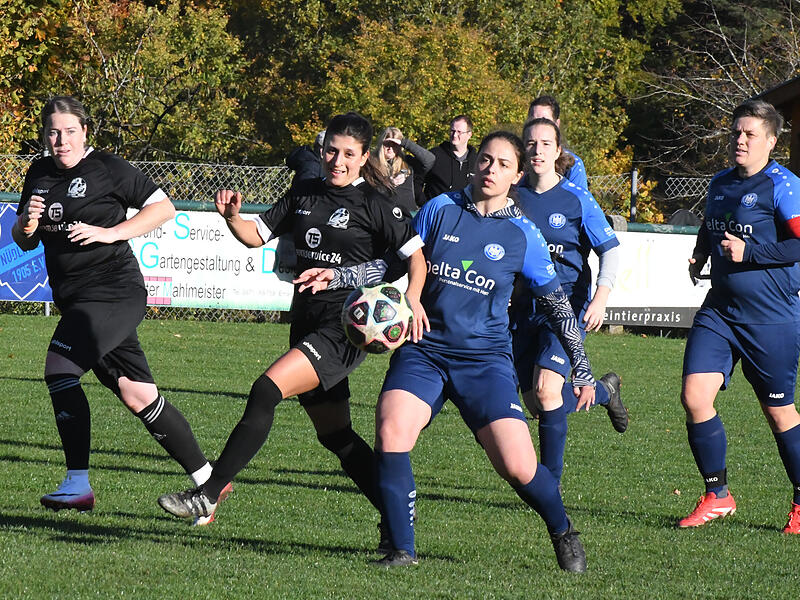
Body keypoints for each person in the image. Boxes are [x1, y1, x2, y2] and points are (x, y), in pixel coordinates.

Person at [304, 132, 596, 570]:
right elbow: (396, 263)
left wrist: (583, 368)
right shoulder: (439, 210)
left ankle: (562, 529)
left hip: (485, 361)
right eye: (484, 160)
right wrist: (341, 278)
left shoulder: (523, 235)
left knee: (518, 467)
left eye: (501, 164)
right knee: (392, 431)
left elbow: (558, 306)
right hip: (425, 348)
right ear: (475, 163)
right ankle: (402, 548)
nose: (490, 169)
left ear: (516, 174)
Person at [157, 112, 429, 543]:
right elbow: (255, 235)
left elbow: (416, 260)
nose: (336, 161)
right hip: (305, 320)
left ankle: (210, 491)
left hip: (345, 327)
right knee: (336, 435)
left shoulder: (379, 203)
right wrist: (232, 218)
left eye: (348, 154)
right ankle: (396, 516)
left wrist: (412, 300)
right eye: (331, 151)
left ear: (363, 158)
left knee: (266, 389)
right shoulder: (304, 191)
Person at [11, 95, 227, 521]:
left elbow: (163, 207)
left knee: (60, 368)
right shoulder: (38, 172)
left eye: (70, 131)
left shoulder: (107, 168)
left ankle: (77, 485)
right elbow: (25, 239)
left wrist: (111, 233)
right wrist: (25, 223)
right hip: (77, 299)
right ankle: (209, 481)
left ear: (85, 132)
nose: (61, 140)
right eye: (53, 132)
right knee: (137, 393)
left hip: (113, 291)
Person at [679, 99, 800, 533]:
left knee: (779, 413)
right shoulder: (720, 183)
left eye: (749, 133)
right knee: (695, 397)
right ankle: (717, 495)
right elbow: (712, 225)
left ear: (771, 140)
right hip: (721, 311)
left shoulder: (783, 186)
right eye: (735, 132)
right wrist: (699, 252)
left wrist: (750, 252)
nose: (740, 140)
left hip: (771, 318)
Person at [512, 118, 627, 485]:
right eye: (531, 143)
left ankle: (550, 484)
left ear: (558, 151)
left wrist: (600, 298)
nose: (538, 150)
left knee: (547, 390)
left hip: (564, 307)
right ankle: (606, 391)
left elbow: (610, 250)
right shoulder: (511, 194)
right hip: (521, 307)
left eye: (546, 144)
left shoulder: (577, 198)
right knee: (537, 403)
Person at [528, 96, 588, 190]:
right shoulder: (516, 160)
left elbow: (579, 201)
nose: (538, 125)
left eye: (545, 121)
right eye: (534, 120)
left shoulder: (572, 165)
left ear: (556, 124)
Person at [375, 127, 435, 215]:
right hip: (382, 214)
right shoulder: (371, 163)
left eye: (394, 144)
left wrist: (404, 142)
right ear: (381, 144)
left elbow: (430, 159)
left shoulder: (408, 161)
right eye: (387, 144)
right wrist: (387, 183)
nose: (390, 148)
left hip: (408, 215)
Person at [422, 115, 477, 202]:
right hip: (436, 212)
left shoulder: (477, 161)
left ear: (469, 134)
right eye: (452, 131)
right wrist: (424, 203)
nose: (454, 135)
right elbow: (417, 178)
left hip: (465, 213)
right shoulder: (435, 155)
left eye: (459, 132)